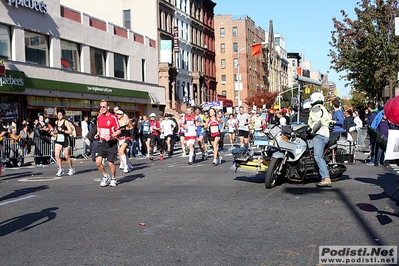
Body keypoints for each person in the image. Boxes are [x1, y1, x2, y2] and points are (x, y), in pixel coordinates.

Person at [308, 92, 332, 187]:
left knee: (317, 156)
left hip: (319, 134)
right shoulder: (323, 108)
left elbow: (315, 122)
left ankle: (326, 178)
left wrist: (310, 130)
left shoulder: (315, 108)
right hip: (325, 134)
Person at [95, 99, 121, 187]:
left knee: (110, 163)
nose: (102, 108)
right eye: (100, 107)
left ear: (108, 107)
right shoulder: (99, 117)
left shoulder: (113, 117)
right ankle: (106, 176)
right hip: (102, 142)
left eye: (104, 107)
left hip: (111, 142)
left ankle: (113, 179)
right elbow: (99, 127)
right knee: (98, 161)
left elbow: (119, 131)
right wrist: (98, 133)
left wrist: (111, 136)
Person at [51, 109, 75, 176]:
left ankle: (71, 168)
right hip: (58, 139)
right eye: (58, 115)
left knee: (66, 156)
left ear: (63, 115)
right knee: (56, 155)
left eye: (60, 115)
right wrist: (53, 133)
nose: (59, 116)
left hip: (66, 139)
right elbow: (56, 130)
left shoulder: (66, 122)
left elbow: (70, 132)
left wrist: (63, 130)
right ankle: (60, 169)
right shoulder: (56, 122)